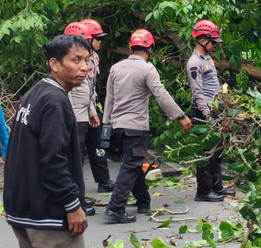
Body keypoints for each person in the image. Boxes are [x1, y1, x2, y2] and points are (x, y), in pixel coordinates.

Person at [4, 34, 90, 248]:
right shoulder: (55, 101)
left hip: (24, 211)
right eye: (76, 60)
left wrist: (11, 201)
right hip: (48, 216)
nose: (85, 67)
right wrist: (72, 205)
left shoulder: (34, 93)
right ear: (54, 64)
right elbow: (53, 160)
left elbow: (19, 152)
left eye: (87, 60)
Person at [103, 29, 193, 224]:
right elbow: (161, 95)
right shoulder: (147, 69)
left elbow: (109, 98)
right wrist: (181, 116)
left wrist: (106, 125)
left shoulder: (116, 68)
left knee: (132, 164)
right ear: (150, 49)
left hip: (117, 126)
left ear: (130, 47)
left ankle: (143, 201)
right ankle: (115, 208)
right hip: (135, 127)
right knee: (130, 165)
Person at [186, 20, 235, 202]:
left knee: (218, 152)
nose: (215, 45)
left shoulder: (207, 59)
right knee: (206, 154)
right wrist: (207, 115)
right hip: (203, 111)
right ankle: (204, 191)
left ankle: (217, 186)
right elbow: (197, 91)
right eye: (213, 41)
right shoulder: (194, 63)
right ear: (202, 40)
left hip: (215, 110)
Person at [65, 21, 114, 196]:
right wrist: (68, 112)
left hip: (88, 108)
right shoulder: (69, 61)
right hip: (75, 113)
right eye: (97, 38)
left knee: (97, 146)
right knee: (76, 154)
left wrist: (93, 112)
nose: (100, 42)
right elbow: (67, 89)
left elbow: (89, 88)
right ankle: (75, 195)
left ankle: (104, 181)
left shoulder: (93, 58)